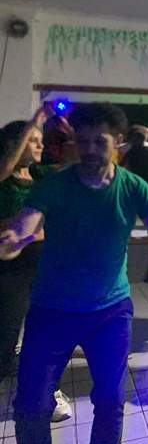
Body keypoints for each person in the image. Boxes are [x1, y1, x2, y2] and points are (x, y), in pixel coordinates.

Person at [0, 102, 148, 444]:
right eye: (82, 141)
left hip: (110, 313)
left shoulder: (134, 187)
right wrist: (16, 238)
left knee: (110, 401)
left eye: (99, 142)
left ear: (117, 142)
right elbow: (25, 226)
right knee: (30, 405)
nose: (89, 150)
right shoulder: (55, 185)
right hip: (51, 310)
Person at [0, 107, 73, 423]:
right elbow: (5, 166)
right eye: (34, 140)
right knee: (7, 329)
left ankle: (43, 391)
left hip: (43, 262)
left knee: (45, 328)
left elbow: (73, 167)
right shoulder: (4, 179)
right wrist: (32, 122)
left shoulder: (40, 176)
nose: (41, 145)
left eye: (42, 140)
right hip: (11, 266)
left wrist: (70, 136)